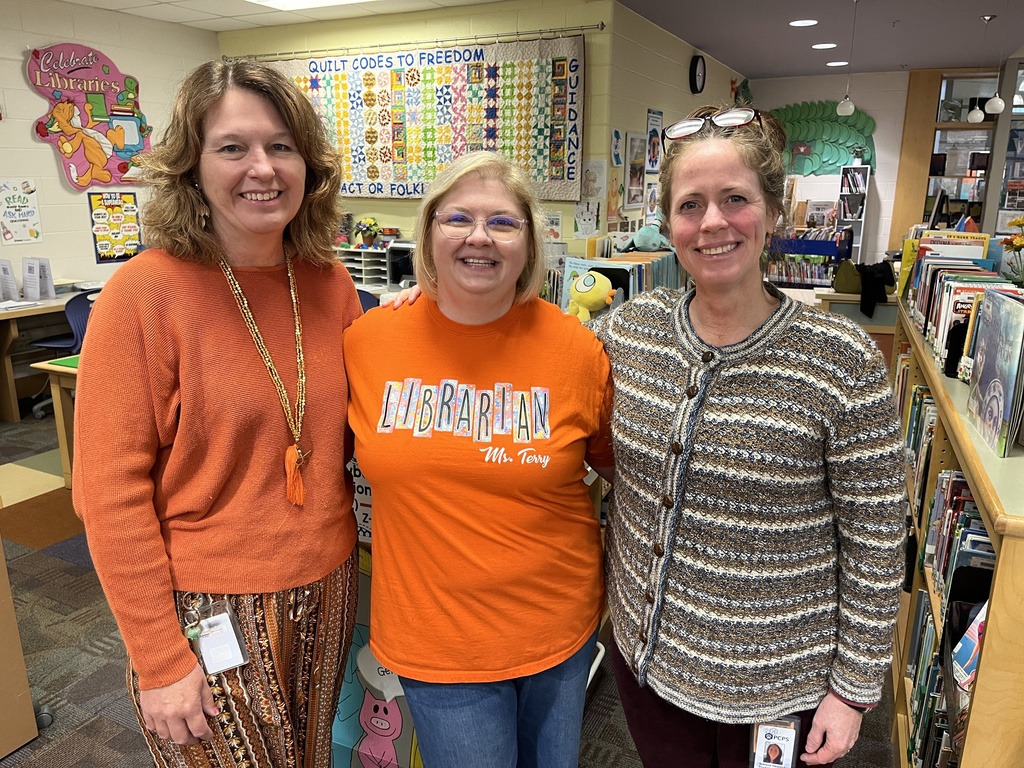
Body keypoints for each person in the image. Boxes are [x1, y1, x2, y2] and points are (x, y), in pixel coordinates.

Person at [588, 104, 905, 768]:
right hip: (650, 670)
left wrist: (853, 691)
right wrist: (442, 299)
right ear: (668, 222)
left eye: (735, 199)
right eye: (690, 204)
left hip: (777, 692)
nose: (711, 223)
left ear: (773, 214)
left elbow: (876, 539)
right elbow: (541, 361)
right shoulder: (630, 331)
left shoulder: (839, 360)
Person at [73, 60, 362, 767]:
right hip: (208, 606)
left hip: (326, 585)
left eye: (281, 146)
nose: (261, 167)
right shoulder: (143, 294)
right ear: (192, 168)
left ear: (308, 165)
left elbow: (361, 429)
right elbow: (108, 496)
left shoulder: (329, 281)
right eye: (232, 147)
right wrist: (159, 658)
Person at [343, 150, 615, 768]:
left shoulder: (577, 349)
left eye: (502, 222)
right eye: (458, 218)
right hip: (436, 637)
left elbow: (616, 467)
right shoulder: (368, 342)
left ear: (529, 243)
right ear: (428, 232)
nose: (478, 237)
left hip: (557, 627)